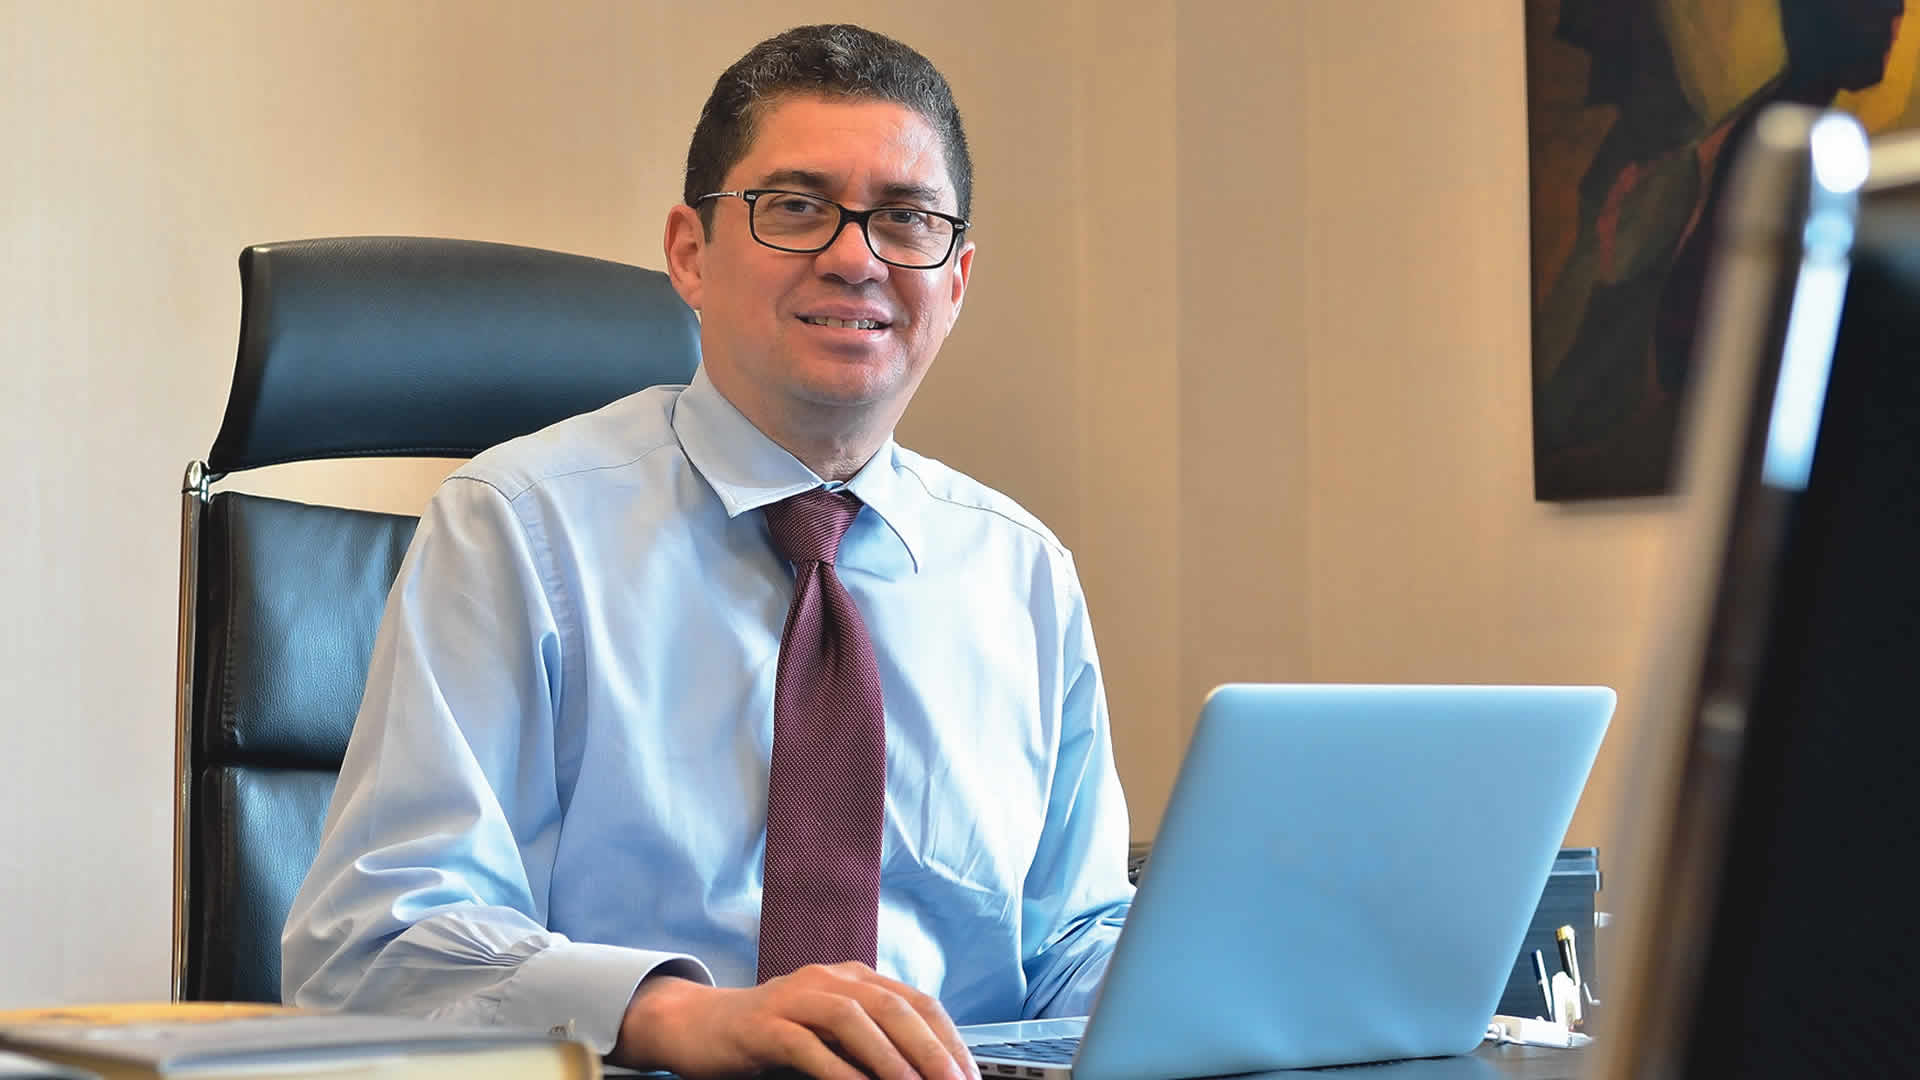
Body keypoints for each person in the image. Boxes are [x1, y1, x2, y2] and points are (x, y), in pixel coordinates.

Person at [280, 23, 1133, 1080]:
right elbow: (374, 947)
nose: (856, 258)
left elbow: (1068, 945)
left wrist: (1241, 982)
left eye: (906, 220)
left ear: (954, 281)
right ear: (690, 252)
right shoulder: (517, 526)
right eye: (797, 207)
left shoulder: (1023, 575)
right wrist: (683, 1018)